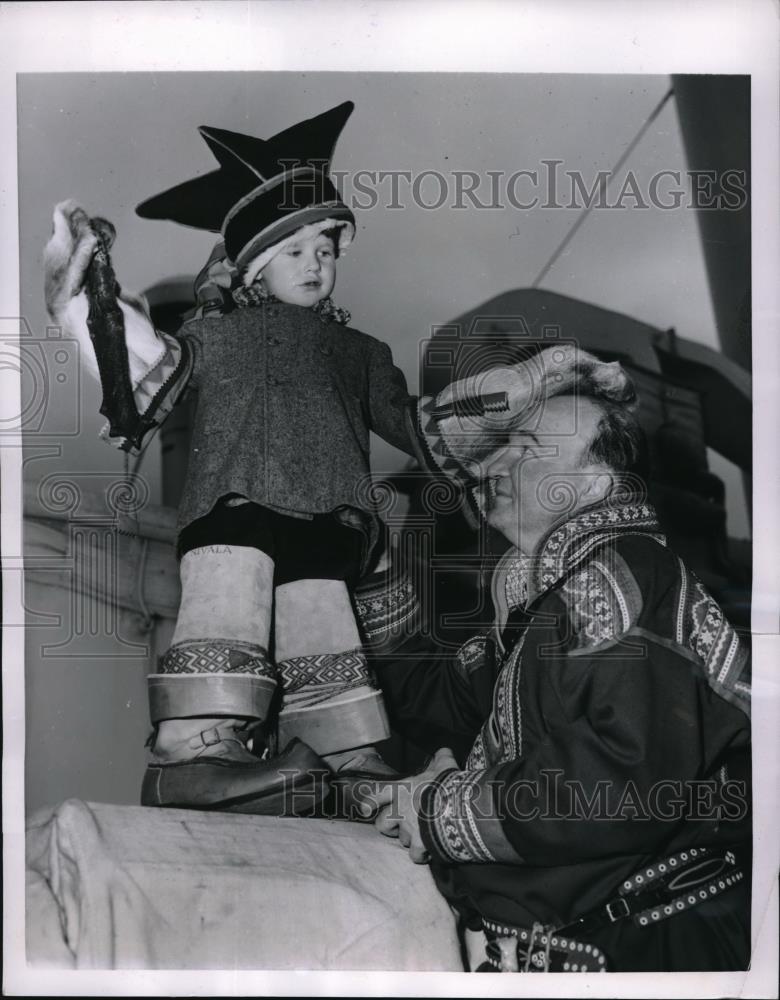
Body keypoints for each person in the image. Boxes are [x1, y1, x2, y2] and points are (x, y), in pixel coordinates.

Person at [44, 100, 626, 815]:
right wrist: (87, 299)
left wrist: (539, 376)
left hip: (332, 523)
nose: (314, 264)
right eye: (294, 250)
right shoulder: (213, 339)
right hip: (235, 516)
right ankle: (189, 754)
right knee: (227, 612)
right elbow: (146, 378)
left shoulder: (362, 355)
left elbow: (426, 428)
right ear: (252, 266)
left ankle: (345, 764)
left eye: (325, 248)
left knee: (325, 635)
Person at [353, 365, 751, 973]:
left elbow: (621, 783)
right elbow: (437, 702)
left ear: (596, 482)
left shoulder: (622, 576)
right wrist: (378, 571)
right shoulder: (539, 600)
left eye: (527, 450)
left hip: (653, 950)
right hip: (589, 943)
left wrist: (441, 812)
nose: (491, 468)